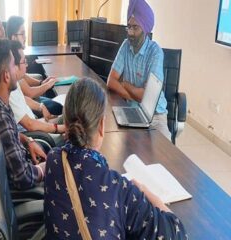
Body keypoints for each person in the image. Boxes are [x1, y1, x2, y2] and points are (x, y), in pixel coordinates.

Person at [44, 78, 188, 239]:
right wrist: (143, 190)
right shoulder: (118, 189)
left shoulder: (53, 159)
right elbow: (176, 233)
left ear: (66, 120)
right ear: (101, 125)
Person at [0, 39, 46, 190]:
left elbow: (10, 137)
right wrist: (46, 167)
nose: (17, 70)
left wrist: (28, 141)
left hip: (22, 163)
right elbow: (23, 177)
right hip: (23, 189)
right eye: (13, 65)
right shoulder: (0, 117)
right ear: (6, 76)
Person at [107, 0, 171, 140]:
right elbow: (111, 81)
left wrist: (124, 84)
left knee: (166, 155)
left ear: (145, 29)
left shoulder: (155, 52)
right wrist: (131, 96)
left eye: (135, 27)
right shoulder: (125, 45)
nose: (130, 32)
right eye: (128, 27)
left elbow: (146, 97)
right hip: (132, 109)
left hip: (155, 116)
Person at [9, 40, 65, 145]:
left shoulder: (13, 83)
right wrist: (60, 128)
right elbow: (30, 125)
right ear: (14, 66)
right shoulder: (8, 90)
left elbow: (23, 99)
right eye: (24, 61)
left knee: (69, 115)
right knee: (73, 131)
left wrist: (41, 106)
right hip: (36, 135)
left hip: (37, 123)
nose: (26, 65)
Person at [7, 16, 62, 116]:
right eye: (22, 34)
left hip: (30, 102)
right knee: (61, 108)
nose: (25, 37)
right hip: (28, 107)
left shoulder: (15, 52)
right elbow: (29, 93)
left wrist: (41, 82)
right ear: (14, 37)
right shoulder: (12, 60)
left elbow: (24, 77)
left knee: (58, 103)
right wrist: (47, 85)